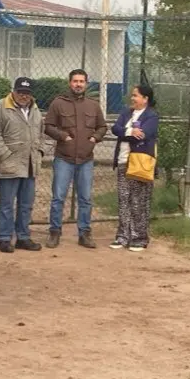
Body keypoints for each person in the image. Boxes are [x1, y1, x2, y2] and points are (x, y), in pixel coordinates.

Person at [43, 69, 107, 249]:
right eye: (75, 81)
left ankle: (84, 234)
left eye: (82, 81)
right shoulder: (58, 103)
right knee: (58, 198)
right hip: (64, 158)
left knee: (85, 198)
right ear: (69, 83)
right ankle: (54, 232)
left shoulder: (93, 105)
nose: (78, 84)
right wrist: (63, 136)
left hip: (86, 159)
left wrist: (94, 138)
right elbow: (48, 126)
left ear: (86, 84)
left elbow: (102, 127)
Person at [0, 77, 44, 253]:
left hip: (30, 164)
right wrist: (4, 153)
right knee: (6, 203)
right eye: (20, 92)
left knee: (26, 204)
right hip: (10, 163)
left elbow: (41, 132)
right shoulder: (1, 106)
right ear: (14, 91)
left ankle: (23, 237)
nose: (24, 96)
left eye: (27, 93)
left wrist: (40, 151)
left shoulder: (35, 109)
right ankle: (4, 238)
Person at [111, 85, 159, 251]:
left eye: (136, 96)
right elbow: (115, 129)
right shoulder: (126, 113)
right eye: (132, 95)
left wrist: (126, 132)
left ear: (145, 98)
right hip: (124, 161)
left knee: (138, 201)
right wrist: (130, 130)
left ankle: (139, 237)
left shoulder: (151, 115)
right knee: (124, 199)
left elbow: (144, 134)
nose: (133, 98)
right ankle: (122, 236)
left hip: (139, 163)